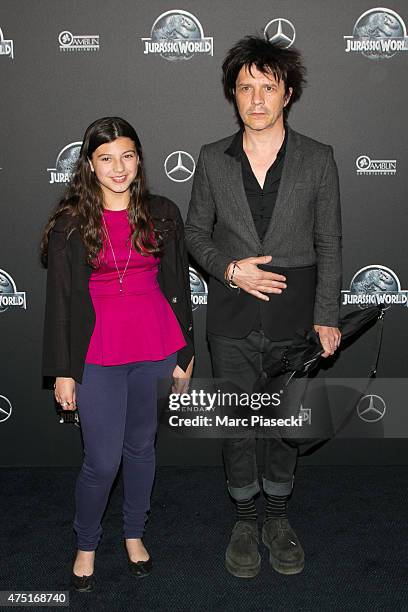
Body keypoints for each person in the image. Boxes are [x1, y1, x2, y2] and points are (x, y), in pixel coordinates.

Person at [185, 36, 342, 577]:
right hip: (230, 316)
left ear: (287, 94)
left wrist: (325, 314)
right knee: (237, 422)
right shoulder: (210, 159)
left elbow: (329, 243)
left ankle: (278, 516)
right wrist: (230, 269)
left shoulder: (318, 158)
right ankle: (245, 519)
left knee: (284, 421)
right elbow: (194, 234)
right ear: (233, 95)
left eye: (267, 88)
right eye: (245, 88)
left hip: (296, 316)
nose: (256, 99)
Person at [41, 116, 194, 591]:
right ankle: (86, 543)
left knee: (142, 447)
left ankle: (133, 534)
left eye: (127, 155)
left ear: (139, 160)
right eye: (106, 158)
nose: (118, 167)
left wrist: (184, 354)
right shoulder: (71, 223)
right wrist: (62, 372)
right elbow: (60, 303)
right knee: (102, 461)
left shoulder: (163, 212)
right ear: (90, 164)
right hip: (97, 350)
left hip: (154, 343)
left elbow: (178, 288)